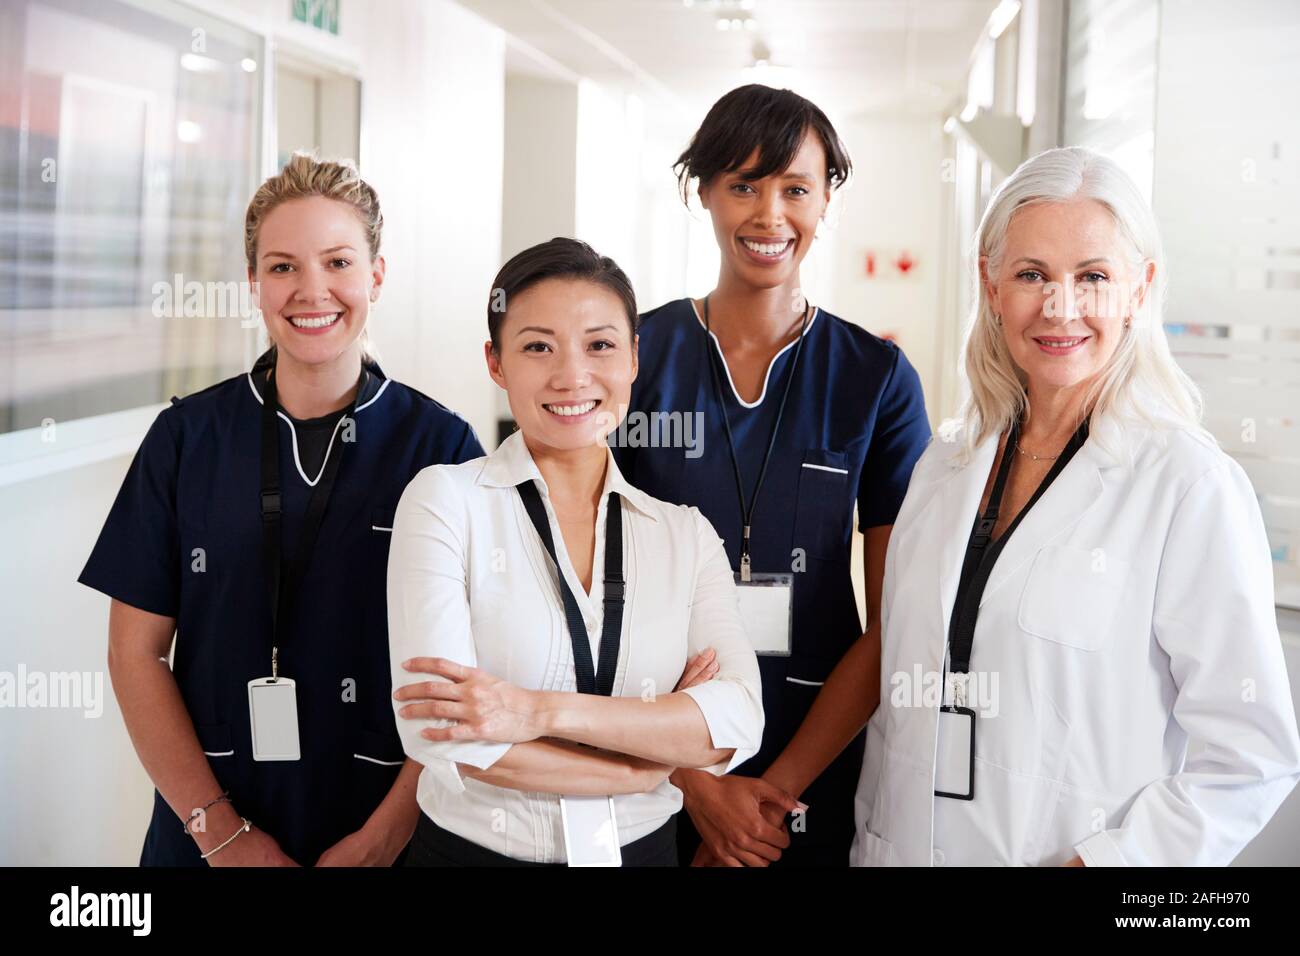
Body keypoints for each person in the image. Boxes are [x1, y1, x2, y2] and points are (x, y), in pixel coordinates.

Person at [853, 146, 1300, 866]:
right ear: (990, 285)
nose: (1061, 307)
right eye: (1032, 274)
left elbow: (1252, 755)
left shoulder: (1188, 487)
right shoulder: (947, 464)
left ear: (1139, 290)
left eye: (1093, 277)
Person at [79, 153, 484, 866]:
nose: (312, 290)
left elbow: (471, 670)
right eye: (283, 266)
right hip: (206, 832)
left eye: (337, 261)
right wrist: (220, 835)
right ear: (254, 283)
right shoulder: (186, 439)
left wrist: (387, 834)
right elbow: (134, 652)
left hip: (388, 832)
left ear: (376, 277)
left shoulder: (442, 445)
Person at [612, 84, 931, 866]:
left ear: (826, 201)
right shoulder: (634, 357)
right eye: (743, 186)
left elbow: (897, 622)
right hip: (649, 747)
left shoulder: (877, 378)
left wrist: (768, 801)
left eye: (795, 188)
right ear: (705, 193)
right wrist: (698, 785)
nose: (769, 214)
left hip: (816, 752)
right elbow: (592, 597)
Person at [387, 237, 764, 866]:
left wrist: (529, 711)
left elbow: (736, 721)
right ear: (496, 362)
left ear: (634, 357)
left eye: (600, 345)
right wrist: (648, 761)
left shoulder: (683, 535)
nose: (571, 376)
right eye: (538, 346)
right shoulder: (445, 503)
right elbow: (440, 734)